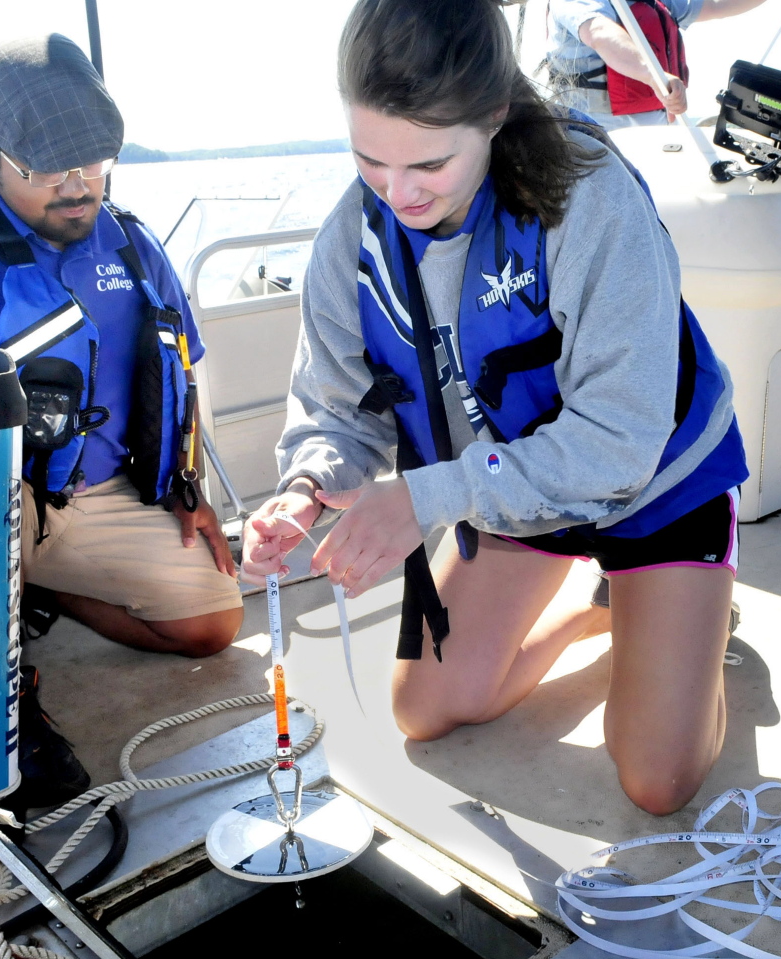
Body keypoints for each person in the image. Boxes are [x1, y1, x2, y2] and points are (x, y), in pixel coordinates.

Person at [242, 0, 748, 816]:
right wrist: (307, 489)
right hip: (519, 490)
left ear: (494, 115)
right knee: (423, 706)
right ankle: (604, 620)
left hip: (657, 485)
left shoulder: (592, 200)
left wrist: (424, 498)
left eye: (429, 166)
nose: (397, 194)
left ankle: (699, 626)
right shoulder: (352, 237)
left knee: (656, 778)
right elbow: (339, 411)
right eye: (370, 160)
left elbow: (619, 442)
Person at [0, 34, 243, 805]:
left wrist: (188, 485)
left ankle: (36, 589)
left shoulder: (131, 242)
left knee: (212, 625)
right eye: (44, 167)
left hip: (98, 497)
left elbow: (179, 364)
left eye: (93, 162)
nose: (76, 186)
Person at [546, 0, 771, 129]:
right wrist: (655, 75)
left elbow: (715, 6)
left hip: (653, 133)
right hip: (594, 131)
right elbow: (599, 32)